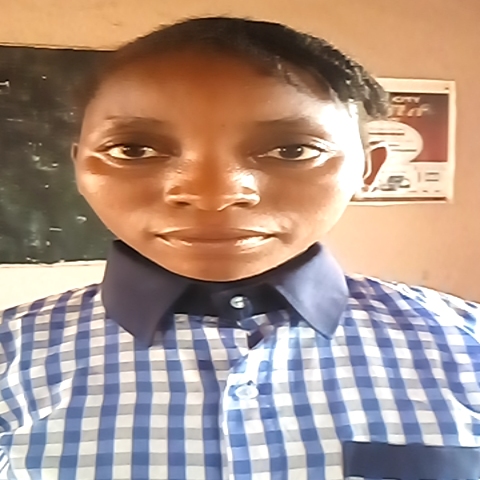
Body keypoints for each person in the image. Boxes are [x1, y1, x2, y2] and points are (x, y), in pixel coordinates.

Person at [0, 16, 478, 480]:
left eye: (292, 150)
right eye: (134, 149)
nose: (214, 194)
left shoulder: (468, 346)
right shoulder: (10, 356)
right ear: (79, 167)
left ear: (366, 172)